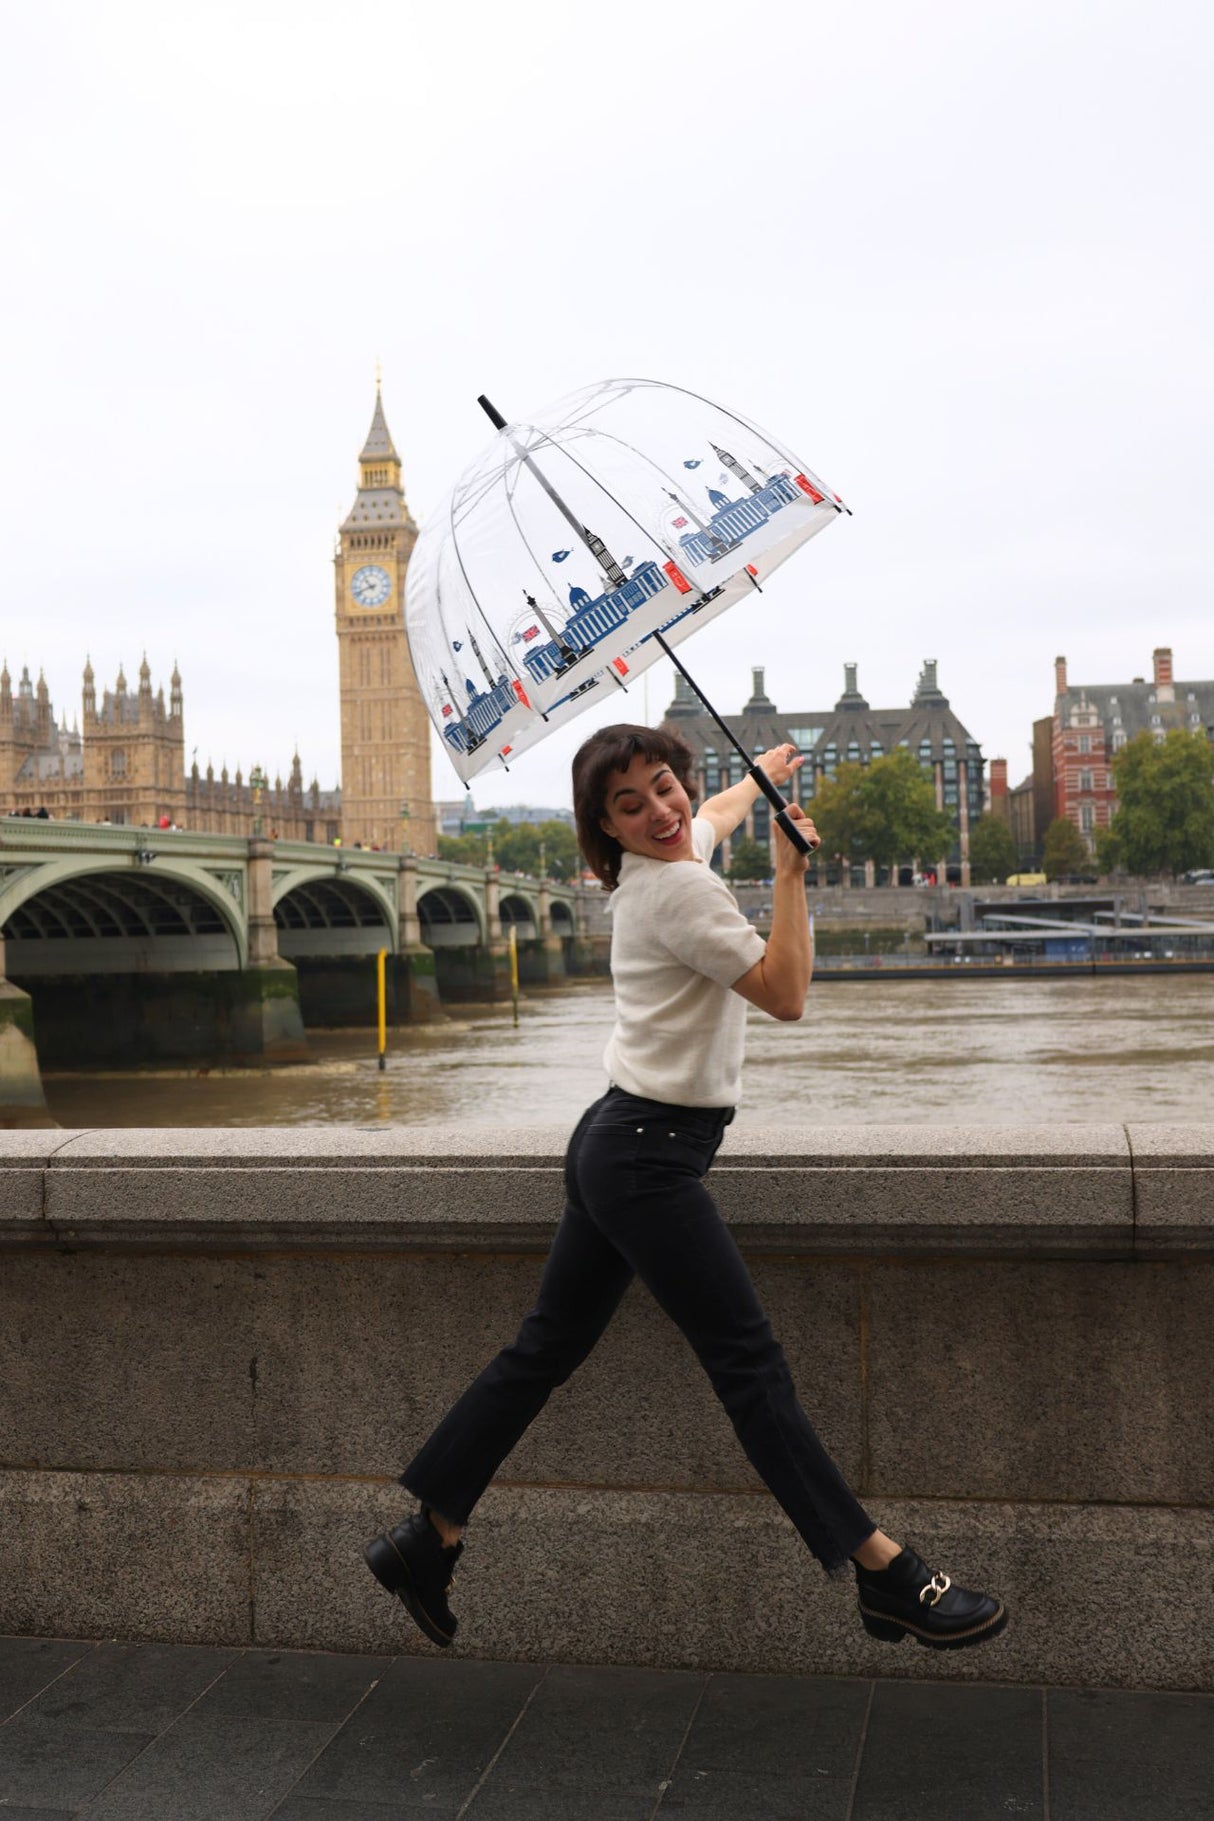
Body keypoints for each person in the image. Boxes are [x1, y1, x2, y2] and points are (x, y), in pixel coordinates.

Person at [365, 723, 1007, 1653]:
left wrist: (766, 780)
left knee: (542, 1349)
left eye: (664, 786)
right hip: (649, 1159)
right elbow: (785, 993)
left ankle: (429, 1536)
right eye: (631, 804)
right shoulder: (680, 892)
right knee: (750, 1369)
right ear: (606, 829)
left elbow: (710, 814)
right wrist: (790, 875)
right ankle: (886, 1572)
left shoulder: (652, 863)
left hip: (613, 1137)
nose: (661, 811)